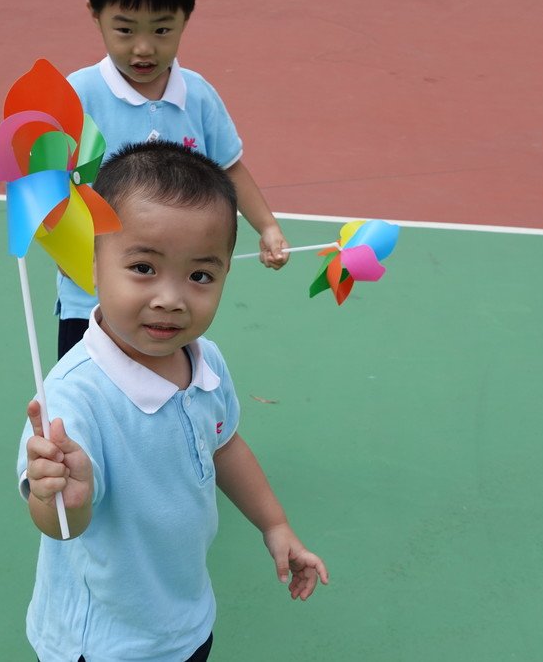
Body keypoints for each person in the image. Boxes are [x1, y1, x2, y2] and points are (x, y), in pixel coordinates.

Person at [17, 141, 328, 661]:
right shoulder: (72, 397)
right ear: (90, 263)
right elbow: (62, 527)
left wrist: (274, 524)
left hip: (183, 622)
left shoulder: (206, 362)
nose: (171, 298)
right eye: (143, 267)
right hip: (105, 642)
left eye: (200, 275)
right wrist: (60, 496)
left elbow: (225, 446)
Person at [55, 0, 290, 358]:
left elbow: (229, 167)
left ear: (186, 18)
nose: (144, 47)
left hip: (172, 299)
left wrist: (267, 226)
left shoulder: (198, 96)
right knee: (87, 390)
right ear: (95, 14)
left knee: (169, 385)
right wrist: (69, 252)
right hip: (89, 301)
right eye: (125, 29)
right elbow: (51, 184)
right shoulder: (77, 96)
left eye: (162, 29)